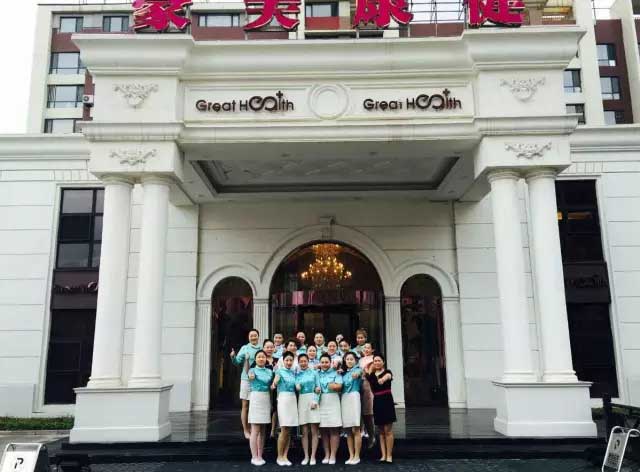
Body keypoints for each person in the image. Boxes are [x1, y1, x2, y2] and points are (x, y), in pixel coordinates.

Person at [231, 329, 262, 439]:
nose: (253, 337)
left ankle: (253, 429)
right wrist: (233, 356)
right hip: (246, 379)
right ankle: (245, 429)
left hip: (258, 380)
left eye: (255, 335)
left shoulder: (261, 348)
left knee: (255, 405)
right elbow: (237, 362)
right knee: (245, 405)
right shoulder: (245, 348)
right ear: (248, 338)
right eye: (251, 336)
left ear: (258, 336)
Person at [366, 353, 396, 463]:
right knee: (381, 431)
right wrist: (371, 367)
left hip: (387, 401)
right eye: (375, 361)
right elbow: (367, 371)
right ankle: (383, 455)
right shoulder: (371, 375)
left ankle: (389, 455)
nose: (377, 362)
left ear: (383, 362)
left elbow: (388, 376)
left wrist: (383, 379)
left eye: (379, 360)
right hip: (377, 401)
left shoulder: (387, 372)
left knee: (388, 430)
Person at [247, 350, 274, 466]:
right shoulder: (252, 370)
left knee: (263, 430)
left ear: (266, 359)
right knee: (255, 430)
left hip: (266, 398)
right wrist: (251, 376)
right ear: (255, 359)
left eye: (263, 357)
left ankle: (260, 455)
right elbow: (250, 377)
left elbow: (271, 385)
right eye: (259, 357)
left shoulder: (269, 371)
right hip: (256, 398)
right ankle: (254, 456)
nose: (261, 359)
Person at [272, 351, 298, 466]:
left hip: (292, 399)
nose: (289, 362)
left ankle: (285, 456)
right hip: (283, 399)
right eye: (287, 360)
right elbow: (274, 384)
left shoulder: (294, 372)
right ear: (283, 361)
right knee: (283, 429)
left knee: (289, 430)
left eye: (290, 360)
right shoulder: (279, 371)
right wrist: (274, 383)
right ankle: (279, 456)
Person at [317, 353, 342, 465]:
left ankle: (333, 455)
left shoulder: (336, 372)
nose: (324, 364)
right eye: (322, 362)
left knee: (334, 429)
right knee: (323, 430)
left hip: (333, 400)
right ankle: (327, 454)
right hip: (321, 401)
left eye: (326, 362)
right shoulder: (317, 374)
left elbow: (339, 386)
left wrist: (334, 386)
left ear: (330, 362)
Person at [296, 353, 321, 465]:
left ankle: (313, 456)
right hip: (302, 400)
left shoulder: (314, 373)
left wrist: (315, 400)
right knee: (304, 431)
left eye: (304, 361)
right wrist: (297, 386)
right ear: (298, 362)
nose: (303, 363)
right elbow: (296, 385)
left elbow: (318, 388)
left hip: (312, 399)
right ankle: (306, 456)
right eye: (301, 361)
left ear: (308, 361)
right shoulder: (297, 374)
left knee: (314, 430)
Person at [341, 352, 363, 465]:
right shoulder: (343, 373)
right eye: (347, 359)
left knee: (355, 428)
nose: (349, 361)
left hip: (354, 397)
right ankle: (351, 455)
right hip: (344, 398)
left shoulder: (358, 370)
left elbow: (359, 373)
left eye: (351, 359)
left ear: (355, 360)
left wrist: (357, 374)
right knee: (348, 430)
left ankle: (357, 455)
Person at [358, 342, 376, 448]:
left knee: (368, 413)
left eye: (368, 348)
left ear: (372, 350)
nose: (366, 349)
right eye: (364, 348)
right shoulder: (360, 360)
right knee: (361, 413)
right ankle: (363, 433)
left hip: (368, 385)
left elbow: (369, 373)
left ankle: (372, 436)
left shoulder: (373, 359)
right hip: (359, 385)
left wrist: (365, 371)